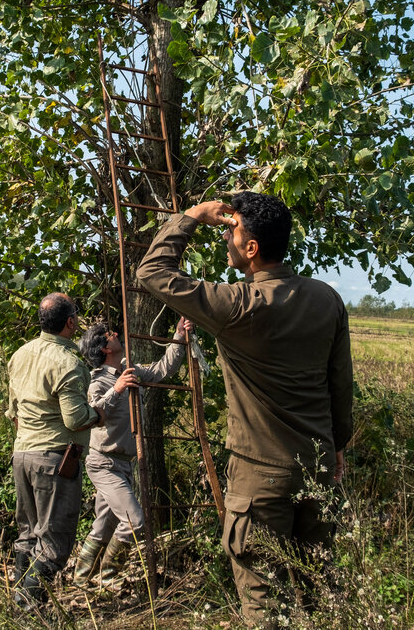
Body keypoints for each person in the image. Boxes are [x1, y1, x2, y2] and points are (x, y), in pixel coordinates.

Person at [136, 192, 354, 623]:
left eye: (231, 232)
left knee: (263, 605)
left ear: (251, 248)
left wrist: (194, 216)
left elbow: (152, 273)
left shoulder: (237, 305)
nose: (226, 241)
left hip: (259, 479)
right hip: (319, 467)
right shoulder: (326, 299)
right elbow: (340, 384)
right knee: (323, 596)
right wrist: (337, 447)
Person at [72, 316, 193, 588]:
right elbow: (92, 414)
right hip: (103, 463)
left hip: (123, 465)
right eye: (111, 333)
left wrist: (178, 337)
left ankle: (80, 582)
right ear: (104, 348)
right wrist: (116, 390)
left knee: (104, 526)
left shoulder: (131, 371)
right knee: (135, 521)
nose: (117, 334)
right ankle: (108, 581)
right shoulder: (98, 383)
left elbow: (163, 370)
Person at [6, 292, 107, 609]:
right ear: (71, 322)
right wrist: (99, 414)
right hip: (55, 460)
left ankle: (18, 604)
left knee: (28, 534)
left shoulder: (20, 355)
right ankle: (29, 609)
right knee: (54, 542)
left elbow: (13, 412)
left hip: (22, 455)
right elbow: (75, 419)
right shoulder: (69, 363)